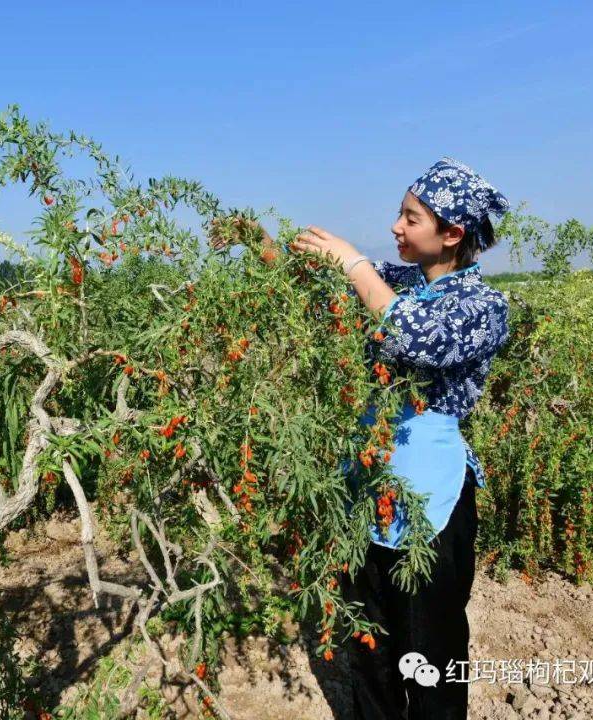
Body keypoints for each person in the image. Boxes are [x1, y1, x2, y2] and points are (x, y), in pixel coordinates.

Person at [211, 157, 512, 719]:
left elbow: (412, 338)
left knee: (431, 651)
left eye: (412, 218)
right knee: (367, 639)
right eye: (399, 213)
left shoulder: (482, 306)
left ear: (452, 234)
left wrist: (352, 263)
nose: (396, 227)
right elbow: (324, 287)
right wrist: (266, 247)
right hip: (366, 485)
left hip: (431, 499)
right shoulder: (397, 280)